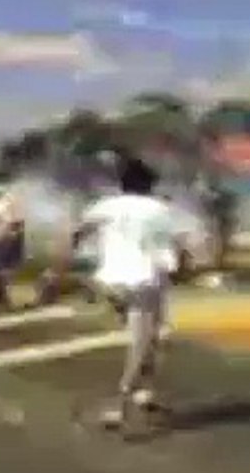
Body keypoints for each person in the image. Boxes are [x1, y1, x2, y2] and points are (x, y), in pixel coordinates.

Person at [73, 156, 182, 434]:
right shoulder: (159, 208)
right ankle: (121, 403)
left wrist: (78, 258)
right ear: (150, 184)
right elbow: (175, 243)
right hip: (144, 280)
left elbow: (79, 231)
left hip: (110, 282)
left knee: (151, 335)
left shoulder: (106, 205)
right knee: (142, 341)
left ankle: (146, 392)